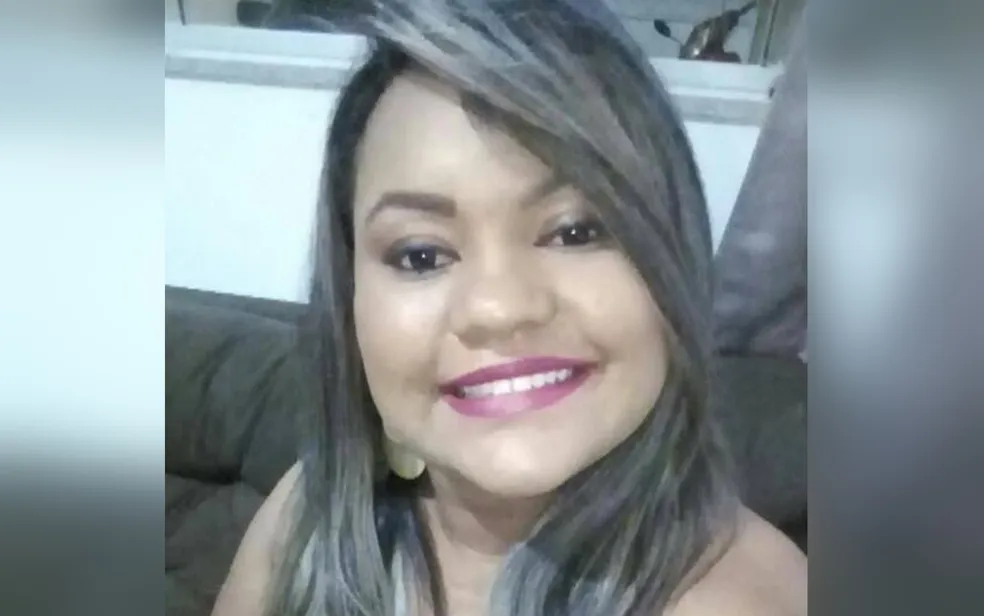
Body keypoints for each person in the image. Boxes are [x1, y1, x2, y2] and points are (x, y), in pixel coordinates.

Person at [212, 1, 806, 615]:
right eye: (421, 255)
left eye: (575, 232)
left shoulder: (753, 600)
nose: (498, 308)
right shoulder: (304, 519)